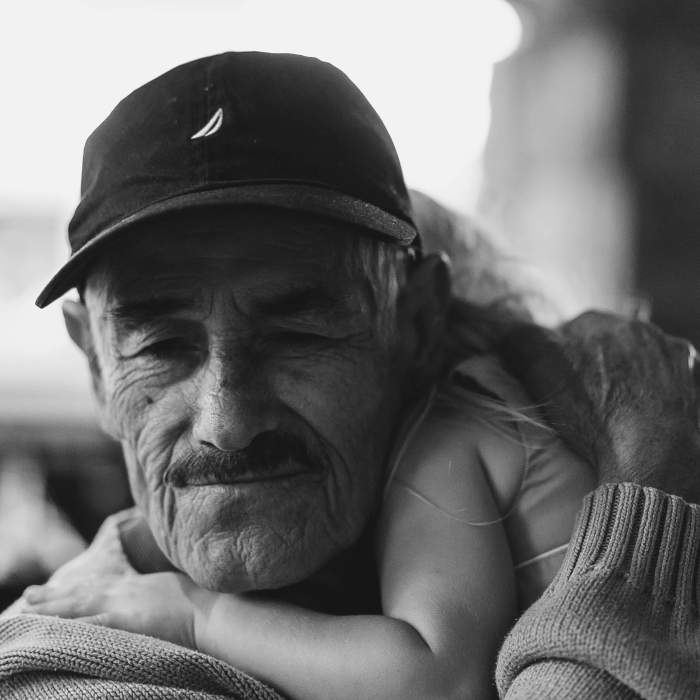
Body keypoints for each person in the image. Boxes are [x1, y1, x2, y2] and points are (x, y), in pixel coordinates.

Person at [9, 51, 595, 700]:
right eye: (162, 345)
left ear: (418, 325)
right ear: (95, 365)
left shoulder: (458, 454)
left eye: (297, 334)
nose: (227, 425)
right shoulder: (60, 669)